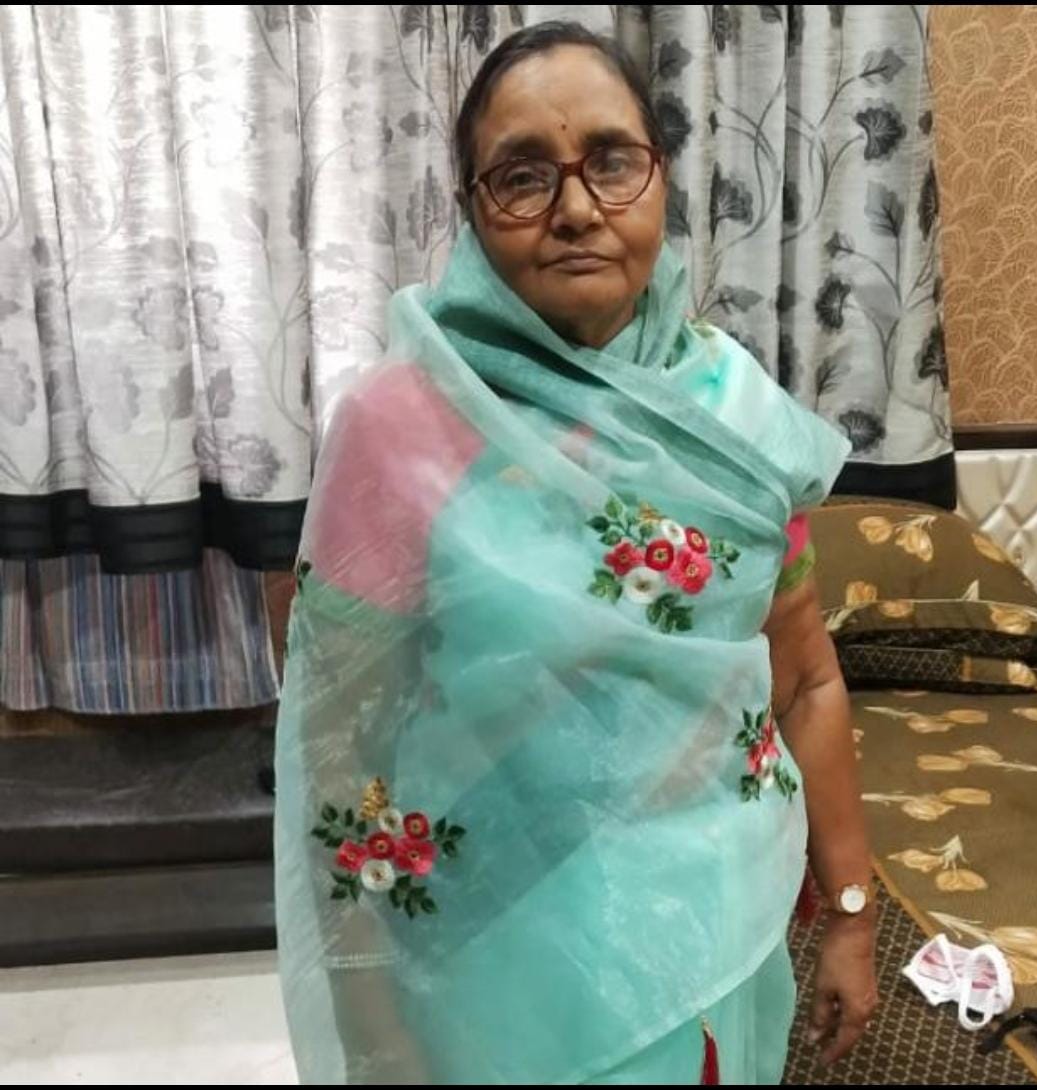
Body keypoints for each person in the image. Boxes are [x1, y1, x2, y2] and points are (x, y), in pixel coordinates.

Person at [274, 21, 877, 1085]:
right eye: (522, 176)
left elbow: (807, 677)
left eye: (610, 160)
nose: (576, 208)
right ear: (471, 209)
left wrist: (853, 912)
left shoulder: (731, 416)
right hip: (496, 966)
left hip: (717, 940)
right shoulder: (400, 428)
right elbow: (341, 756)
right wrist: (377, 1021)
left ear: (660, 178)